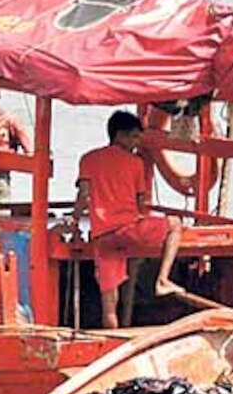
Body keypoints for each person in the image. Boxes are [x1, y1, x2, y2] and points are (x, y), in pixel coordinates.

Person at [72, 110, 184, 328]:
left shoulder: (88, 158)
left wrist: (74, 222)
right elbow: (141, 203)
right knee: (175, 224)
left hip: (102, 237)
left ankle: (109, 344)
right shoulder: (135, 163)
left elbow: (83, 195)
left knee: (109, 303)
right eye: (134, 137)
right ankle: (162, 280)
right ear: (120, 135)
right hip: (129, 231)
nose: (136, 142)